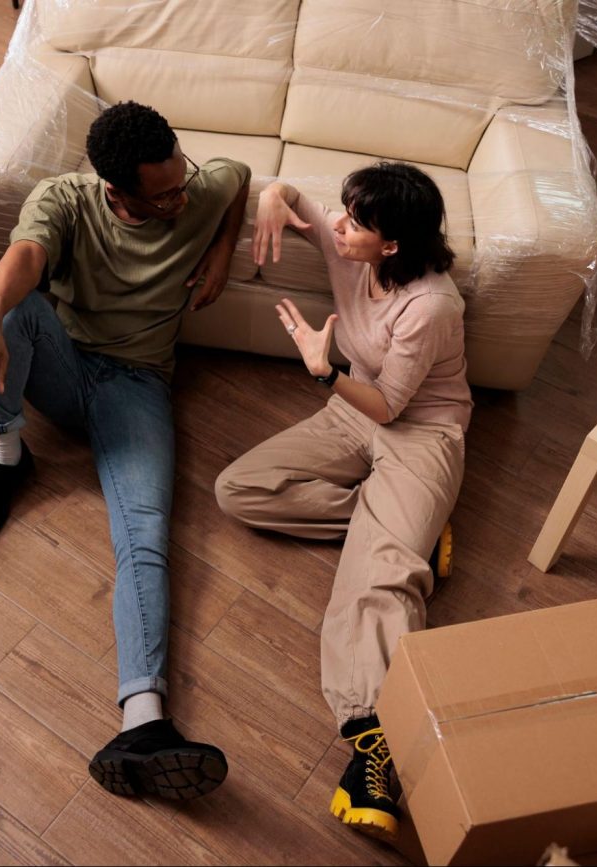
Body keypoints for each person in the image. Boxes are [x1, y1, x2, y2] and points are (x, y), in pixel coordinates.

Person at [0, 101, 250, 801]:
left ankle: (143, 720)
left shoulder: (200, 186)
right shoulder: (67, 200)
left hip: (137, 386)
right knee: (14, 310)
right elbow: (25, 258)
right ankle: (6, 457)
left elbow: (239, 182)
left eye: (184, 180)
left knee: (145, 538)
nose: (184, 196)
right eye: (167, 193)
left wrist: (223, 249)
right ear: (118, 191)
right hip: (62, 359)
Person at [214, 163, 471, 839]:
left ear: (390, 244)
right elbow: (294, 195)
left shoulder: (432, 305)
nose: (338, 225)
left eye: (355, 221)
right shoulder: (352, 245)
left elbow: (392, 405)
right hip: (352, 410)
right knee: (238, 488)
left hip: (419, 429)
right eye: (346, 211)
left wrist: (324, 370)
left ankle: (373, 737)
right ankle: (406, 526)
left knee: (379, 579)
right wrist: (274, 196)